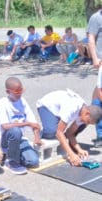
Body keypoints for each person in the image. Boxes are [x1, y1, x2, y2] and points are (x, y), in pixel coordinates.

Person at [36, 89, 102, 166]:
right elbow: (59, 132)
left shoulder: (83, 113)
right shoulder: (72, 108)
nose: (86, 124)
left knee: (80, 126)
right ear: (87, 113)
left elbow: (70, 133)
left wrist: (79, 149)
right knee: (52, 132)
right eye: (88, 121)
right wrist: (71, 154)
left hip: (59, 110)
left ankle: (58, 134)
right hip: (46, 106)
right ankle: (42, 133)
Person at [0, 77, 41, 175]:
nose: (20, 94)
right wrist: (27, 123)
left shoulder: (23, 101)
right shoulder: (2, 103)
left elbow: (34, 122)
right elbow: (5, 126)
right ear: (8, 91)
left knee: (33, 162)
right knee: (16, 130)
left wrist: (37, 138)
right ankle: (11, 160)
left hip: (20, 139)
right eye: (17, 92)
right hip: (6, 139)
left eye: (21, 91)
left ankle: (12, 154)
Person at [88, 7, 102, 147]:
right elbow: (91, 38)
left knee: (97, 95)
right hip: (101, 60)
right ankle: (100, 134)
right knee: (99, 94)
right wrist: (94, 58)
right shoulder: (96, 17)